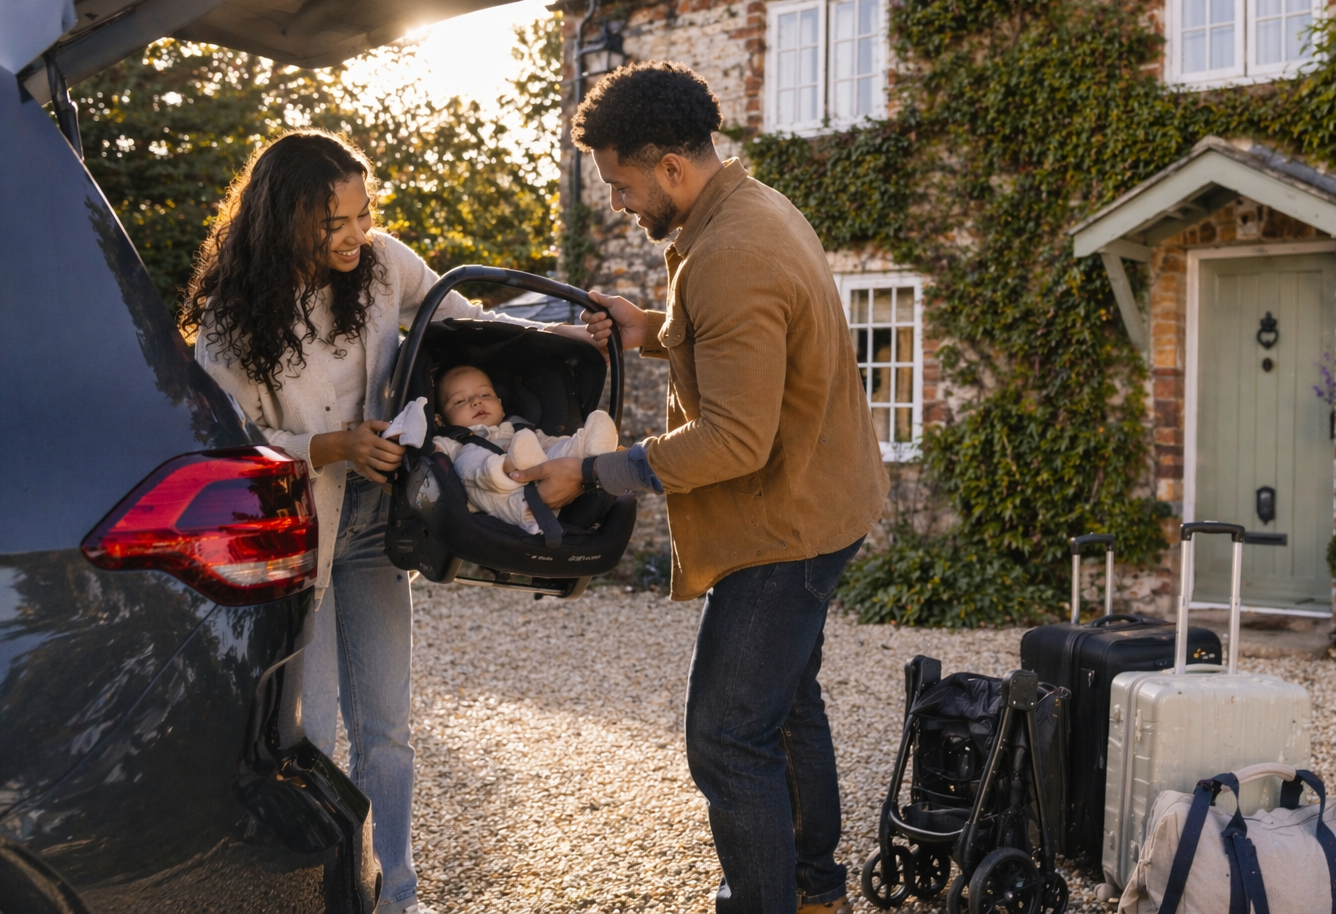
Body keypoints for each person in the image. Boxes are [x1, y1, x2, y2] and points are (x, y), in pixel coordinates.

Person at [513, 62, 890, 914]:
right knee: (787, 704)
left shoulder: (731, 255)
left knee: (726, 737)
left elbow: (734, 438)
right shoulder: (752, 208)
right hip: (828, 500)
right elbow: (740, 350)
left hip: (786, 522)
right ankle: (815, 892)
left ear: (669, 168)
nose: (617, 202)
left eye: (621, 183)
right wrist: (651, 330)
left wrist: (598, 472)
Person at [184, 129, 591, 914]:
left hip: (379, 522)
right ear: (284, 220)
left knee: (389, 727)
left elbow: (464, 324)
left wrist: (571, 334)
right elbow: (224, 442)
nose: (354, 234)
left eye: (362, 214)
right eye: (334, 222)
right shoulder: (234, 323)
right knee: (317, 732)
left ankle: (393, 898)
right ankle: (324, 898)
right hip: (299, 532)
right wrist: (329, 445)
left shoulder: (381, 264)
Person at [431, 363, 618, 533]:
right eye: (459, 401)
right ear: (439, 420)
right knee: (467, 461)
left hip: (545, 473)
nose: (476, 402)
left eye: (485, 395)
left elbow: (547, 443)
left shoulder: (518, 428)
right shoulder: (451, 441)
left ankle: (588, 449)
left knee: (551, 446)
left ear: (501, 406)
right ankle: (506, 467)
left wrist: (565, 447)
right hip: (497, 493)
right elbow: (431, 454)